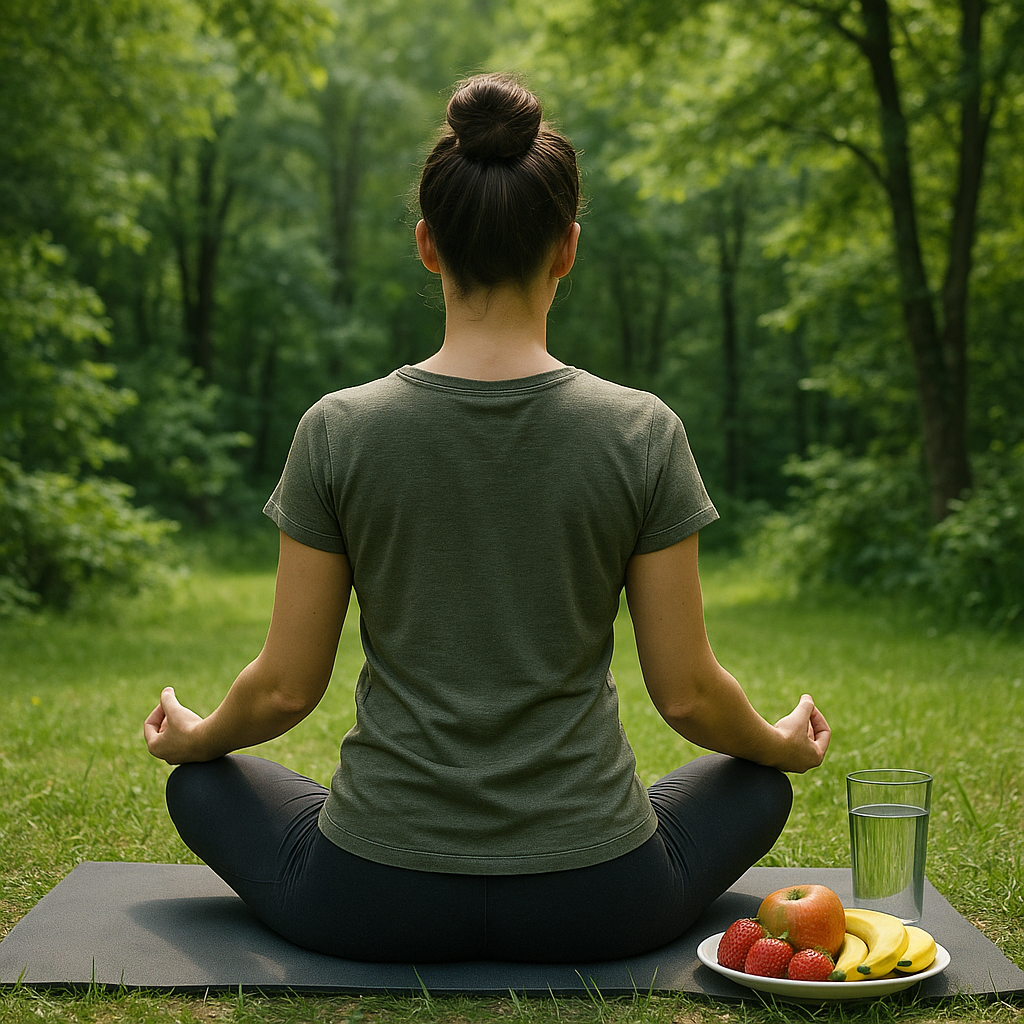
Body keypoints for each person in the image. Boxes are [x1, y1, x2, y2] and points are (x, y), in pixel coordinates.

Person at [145, 72, 830, 964]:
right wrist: (775, 743)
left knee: (201, 787)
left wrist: (199, 738)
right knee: (758, 786)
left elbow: (282, 690)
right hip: (600, 900)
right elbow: (688, 696)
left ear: (428, 245)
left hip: (368, 897)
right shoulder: (642, 431)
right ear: (567, 248)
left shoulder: (338, 429)